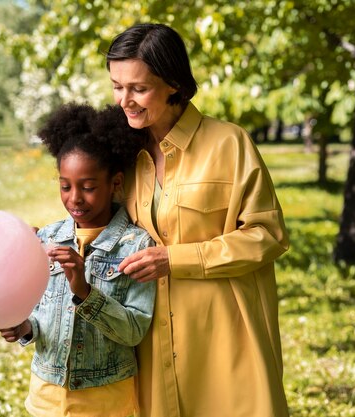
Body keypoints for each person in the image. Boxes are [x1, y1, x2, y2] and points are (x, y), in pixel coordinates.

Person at [106, 23, 290, 417]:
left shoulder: (229, 143)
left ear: (173, 82)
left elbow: (268, 235)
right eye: (116, 86)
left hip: (226, 342)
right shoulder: (122, 151)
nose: (125, 101)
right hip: (151, 341)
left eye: (138, 88)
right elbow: (106, 228)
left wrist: (175, 259)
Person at [0, 103, 156, 417]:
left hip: (106, 403)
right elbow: (42, 317)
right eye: (65, 186)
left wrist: (84, 290)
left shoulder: (137, 245)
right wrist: (24, 327)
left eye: (88, 187)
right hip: (47, 400)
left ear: (115, 183)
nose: (75, 199)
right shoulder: (46, 238)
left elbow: (133, 331)